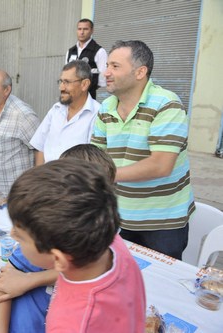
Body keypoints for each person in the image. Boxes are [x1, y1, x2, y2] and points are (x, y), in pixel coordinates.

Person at [7, 159, 146, 332]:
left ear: (58, 259)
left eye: (20, 236)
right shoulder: (109, 242)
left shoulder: (71, 324)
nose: (12, 233)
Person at [0, 144, 116, 333]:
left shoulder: (104, 234)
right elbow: (3, 284)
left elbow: (99, 273)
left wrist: (31, 279)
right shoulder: (41, 236)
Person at [91, 40, 194, 259]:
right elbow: (96, 156)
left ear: (140, 72)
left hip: (163, 222)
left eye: (115, 66)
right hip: (120, 217)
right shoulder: (107, 107)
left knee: (160, 288)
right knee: (124, 280)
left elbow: (161, 165)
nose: (106, 72)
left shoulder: (166, 104)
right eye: (107, 65)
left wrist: (104, 175)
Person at [30, 60, 100, 165]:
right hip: (47, 177)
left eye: (67, 82)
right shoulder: (56, 109)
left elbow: (94, 161)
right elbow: (40, 146)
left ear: (84, 84)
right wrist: (39, 176)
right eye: (61, 81)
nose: (61, 87)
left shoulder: (97, 114)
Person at [65, 18, 107, 99]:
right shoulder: (70, 51)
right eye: (79, 29)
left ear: (92, 31)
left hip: (88, 96)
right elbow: (66, 74)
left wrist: (88, 88)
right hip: (71, 96)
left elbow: (102, 78)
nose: (82, 32)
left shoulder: (99, 51)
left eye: (85, 29)